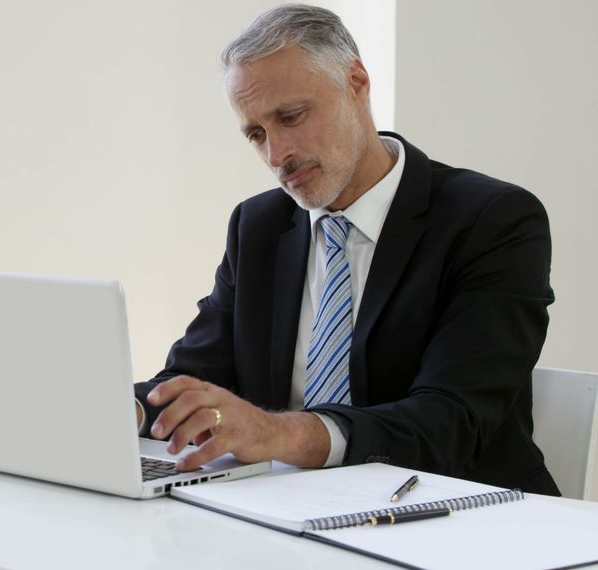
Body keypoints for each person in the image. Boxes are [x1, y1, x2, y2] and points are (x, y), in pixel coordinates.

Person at [133, 3, 558, 495]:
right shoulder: (259, 225)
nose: (276, 154)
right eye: (256, 134)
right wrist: (132, 409)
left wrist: (281, 433)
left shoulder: (492, 220)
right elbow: (194, 377)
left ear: (356, 82)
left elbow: (452, 419)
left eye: (290, 117)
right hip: (290, 510)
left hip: (462, 514)